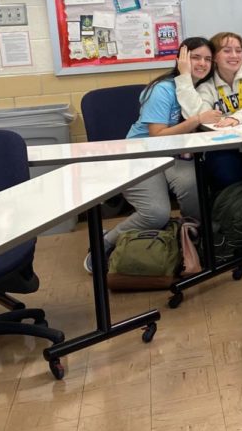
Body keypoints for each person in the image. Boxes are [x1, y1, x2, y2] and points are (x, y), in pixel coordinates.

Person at [92, 39, 217, 273]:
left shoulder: (202, 90)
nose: (202, 63)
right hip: (141, 154)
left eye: (208, 59)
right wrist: (197, 119)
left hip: (174, 156)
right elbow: (156, 135)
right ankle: (106, 242)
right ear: (181, 60)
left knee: (195, 186)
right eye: (195, 57)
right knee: (156, 214)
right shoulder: (163, 89)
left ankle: (189, 239)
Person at [175, 30, 242, 189]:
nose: (234, 55)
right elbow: (197, 115)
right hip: (225, 145)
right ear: (215, 56)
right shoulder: (207, 83)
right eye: (227, 51)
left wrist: (236, 118)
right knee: (227, 175)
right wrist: (185, 77)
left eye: (239, 50)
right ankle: (235, 212)